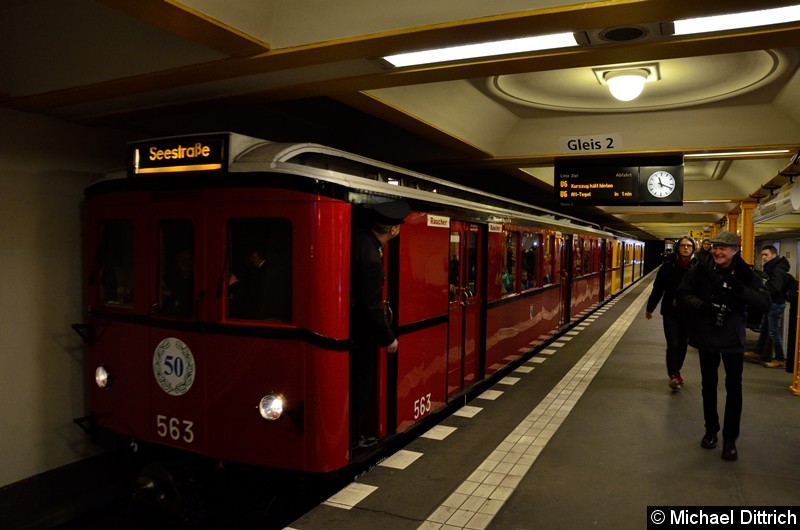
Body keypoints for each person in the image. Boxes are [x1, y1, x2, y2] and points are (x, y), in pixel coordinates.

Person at [677, 231, 770, 461]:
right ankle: (711, 430)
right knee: (708, 386)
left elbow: (765, 302)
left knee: (734, 389)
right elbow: (683, 293)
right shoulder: (701, 268)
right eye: (716, 247)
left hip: (732, 338)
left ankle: (730, 439)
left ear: (735, 250)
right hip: (707, 334)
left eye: (724, 248)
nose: (718, 251)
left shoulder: (746, 273)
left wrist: (741, 290)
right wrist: (704, 307)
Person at [350, 200, 411, 449]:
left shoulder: (358, 240)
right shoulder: (372, 259)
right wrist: (389, 337)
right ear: (393, 230)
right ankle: (354, 437)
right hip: (360, 333)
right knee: (362, 383)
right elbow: (371, 306)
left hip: (349, 329)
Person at [645, 237, 695, 390]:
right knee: (673, 343)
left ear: (693, 249)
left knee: (683, 344)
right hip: (670, 311)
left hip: (689, 312)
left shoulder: (698, 268)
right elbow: (658, 288)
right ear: (677, 248)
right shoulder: (667, 267)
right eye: (682, 246)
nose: (686, 248)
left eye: (688, 246)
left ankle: (676, 369)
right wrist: (650, 308)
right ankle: (674, 374)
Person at [746, 245, 789, 368]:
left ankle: (780, 359)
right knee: (765, 328)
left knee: (773, 331)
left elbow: (775, 287)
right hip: (770, 302)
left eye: (766, 255)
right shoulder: (772, 268)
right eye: (763, 255)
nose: (764, 257)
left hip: (776, 303)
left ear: (774, 255)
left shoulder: (778, 270)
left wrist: (761, 290)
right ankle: (758, 352)